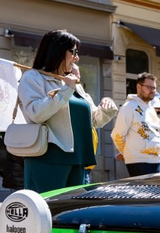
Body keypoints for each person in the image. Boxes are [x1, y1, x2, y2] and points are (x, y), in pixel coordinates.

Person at [18, 29, 117, 193]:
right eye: (73, 52)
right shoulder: (33, 78)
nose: (77, 58)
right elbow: (36, 114)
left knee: (70, 213)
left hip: (78, 159)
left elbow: (93, 120)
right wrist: (65, 90)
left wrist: (106, 109)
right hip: (48, 158)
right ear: (57, 51)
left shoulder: (72, 83)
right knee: (47, 212)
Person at [112, 72, 160, 176]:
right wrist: (126, 152)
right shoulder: (129, 107)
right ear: (138, 87)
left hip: (156, 160)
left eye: (154, 88)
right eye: (149, 87)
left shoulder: (150, 109)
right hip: (139, 161)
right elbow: (117, 134)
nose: (152, 91)